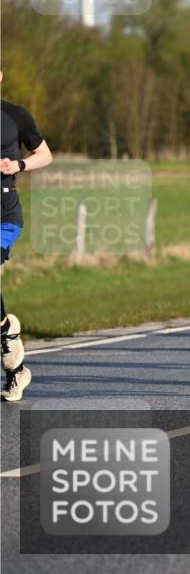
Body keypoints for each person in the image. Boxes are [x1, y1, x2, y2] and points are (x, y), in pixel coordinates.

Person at [0, 68, 54, 402]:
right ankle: (15, 365)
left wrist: (17, 166)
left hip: (4, 217)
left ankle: (6, 333)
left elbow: (45, 155)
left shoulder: (15, 115)